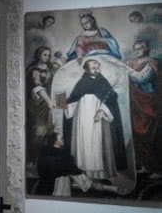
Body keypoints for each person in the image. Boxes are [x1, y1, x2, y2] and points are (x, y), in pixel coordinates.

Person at [58, 59, 128, 194]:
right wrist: (61, 102)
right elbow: (73, 100)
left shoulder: (103, 81)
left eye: (97, 67)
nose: (96, 70)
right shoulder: (82, 82)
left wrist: (102, 110)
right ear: (86, 70)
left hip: (98, 117)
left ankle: (99, 175)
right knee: (84, 141)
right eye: (93, 68)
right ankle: (86, 175)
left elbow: (112, 98)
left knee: (96, 142)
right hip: (83, 117)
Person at [126, 40, 161, 175]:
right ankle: (143, 165)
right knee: (137, 136)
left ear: (147, 48)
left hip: (148, 102)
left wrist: (126, 68)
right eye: (136, 48)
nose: (138, 51)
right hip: (136, 103)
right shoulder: (132, 63)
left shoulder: (152, 62)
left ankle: (154, 168)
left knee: (149, 135)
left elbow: (141, 78)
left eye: (141, 48)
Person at [27, 69, 55, 165]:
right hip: (41, 121)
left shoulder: (44, 89)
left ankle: (36, 162)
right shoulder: (39, 89)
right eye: (34, 77)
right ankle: (33, 161)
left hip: (43, 121)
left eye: (38, 76)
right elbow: (51, 104)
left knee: (42, 141)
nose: (36, 78)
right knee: (39, 140)